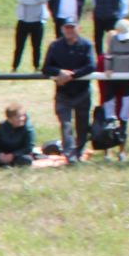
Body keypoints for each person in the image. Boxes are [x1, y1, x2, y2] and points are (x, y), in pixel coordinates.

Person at [41, 18, 96, 159]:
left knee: (82, 124)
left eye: (72, 27)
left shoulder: (86, 45)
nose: (70, 30)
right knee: (66, 125)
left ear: (79, 28)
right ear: (62, 29)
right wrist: (59, 72)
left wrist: (72, 75)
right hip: (63, 93)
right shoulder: (55, 46)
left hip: (82, 92)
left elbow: (91, 66)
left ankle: (79, 150)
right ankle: (69, 153)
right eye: (67, 27)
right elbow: (46, 68)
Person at [102, 18, 129, 161]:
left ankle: (122, 150)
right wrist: (108, 69)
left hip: (128, 79)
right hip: (113, 80)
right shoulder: (113, 40)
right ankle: (106, 150)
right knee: (109, 115)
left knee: (124, 113)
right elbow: (108, 56)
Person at [13, 0, 51, 72]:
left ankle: (36, 66)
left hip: (38, 21)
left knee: (37, 46)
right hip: (23, 21)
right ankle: (15, 67)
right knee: (19, 46)